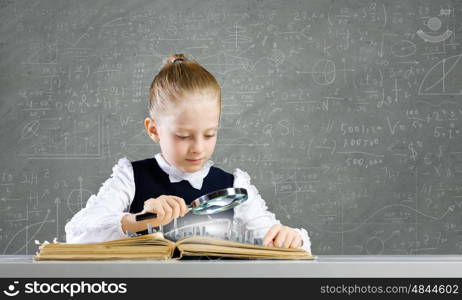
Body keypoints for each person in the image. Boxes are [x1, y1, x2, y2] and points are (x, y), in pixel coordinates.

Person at [65, 54, 311, 253]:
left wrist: (290, 238)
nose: (198, 148)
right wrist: (139, 218)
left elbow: (276, 240)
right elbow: (76, 234)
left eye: (210, 134)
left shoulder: (234, 185)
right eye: (183, 136)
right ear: (154, 130)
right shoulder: (130, 177)